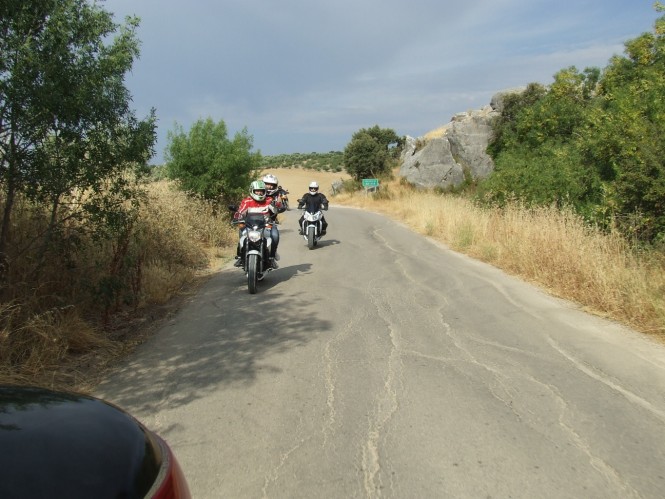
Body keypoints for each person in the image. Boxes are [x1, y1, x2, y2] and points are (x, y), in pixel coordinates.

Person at [233, 180, 280, 269]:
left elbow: (275, 209)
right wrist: (237, 217)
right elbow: (240, 211)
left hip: (266, 225)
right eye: (257, 190)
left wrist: (277, 207)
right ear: (252, 191)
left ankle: (272, 257)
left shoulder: (268, 200)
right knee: (242, 236)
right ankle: (240, 256)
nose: (259, 192)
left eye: (261, 190)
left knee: (275, 236)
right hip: (250, 226)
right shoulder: (247, 201)